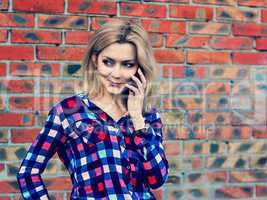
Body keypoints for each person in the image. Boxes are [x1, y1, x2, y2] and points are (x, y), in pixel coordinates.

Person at [17, 19, 169, 200]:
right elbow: (28, 172)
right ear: (95, 59)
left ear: (139, 68)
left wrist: (137, 119)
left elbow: (157, 180)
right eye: (108, 62)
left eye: (128, 64)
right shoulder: (68, 112)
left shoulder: (148, 116)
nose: (117, 74)